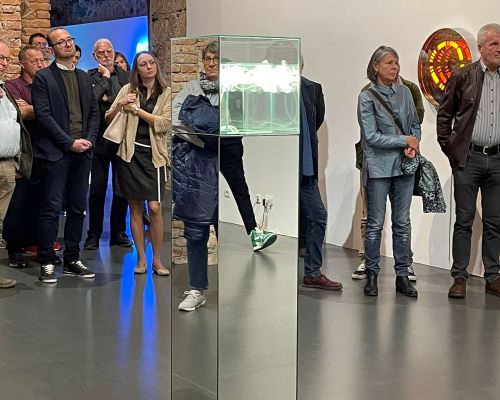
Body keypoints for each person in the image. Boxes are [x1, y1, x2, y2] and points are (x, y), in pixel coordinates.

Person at [31, 28, 99, 283]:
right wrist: (69, 143)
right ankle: (47, 260)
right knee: (51, 208)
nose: (68, 45)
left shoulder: (83, 76)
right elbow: (44, 116)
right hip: (56, 153)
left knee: (78, 208)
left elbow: (94, 112)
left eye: (70, 40)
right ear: (51, 49)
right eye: (61, 42)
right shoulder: (43, 77)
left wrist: (88, 141)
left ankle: (72, 258)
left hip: (83, 152)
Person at [437, 23, 500, 298]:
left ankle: (493, 276)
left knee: (495, 222)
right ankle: (459, 277)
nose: (499, 49)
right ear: (480, 47)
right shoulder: (463, 76)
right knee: (464, 220)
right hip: (468, 159)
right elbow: (444, 116)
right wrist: (453, 151)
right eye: (494, 44)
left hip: (497, 160)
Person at [357, 45, 421, 297]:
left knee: (402, 223)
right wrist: (404, 140)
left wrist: (413, 144)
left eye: (396, 62)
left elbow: (414, 124)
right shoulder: (366, 96)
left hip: (404, 166)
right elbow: (371, 136)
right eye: (389, 63)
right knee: (375, 223)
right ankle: (372, 275)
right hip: (378, 168)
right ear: (376, 67)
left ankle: (402, 276)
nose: (395, 67)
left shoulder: (405, 92)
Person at [105, 51, 171, 276]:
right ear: (137, 69)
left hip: (155, 156)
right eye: (143, 64)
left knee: (154, 208)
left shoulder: (166, 92)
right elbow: (108, 118)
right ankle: (142, 258)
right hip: (130, 155)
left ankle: (158, 260)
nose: (149, 67)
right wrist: (121, 105)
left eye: (152, 62)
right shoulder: (128, 90)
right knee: (135, 208)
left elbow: (163, 124)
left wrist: (137, 110)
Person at [84, 39, 131, 250]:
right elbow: (91, 101)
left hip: (122, 139)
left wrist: (107, 100)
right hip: (100, 140)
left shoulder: (126, 76)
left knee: (122, 188)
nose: (106, 55)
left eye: (109, 51)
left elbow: (131, 101)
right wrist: (105, 85)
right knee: (97, 189)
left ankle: (118, 233)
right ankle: (93, 235)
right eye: (101, 52)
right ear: (94, 56)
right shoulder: (89, 77)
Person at [4, 45, 45, 268]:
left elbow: (55, 111)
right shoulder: (13, 86)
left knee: (39, 201)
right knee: (17, 203)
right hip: (23, 152)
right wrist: (44, 110)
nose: (40, 64)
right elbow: (21, 113)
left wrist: (34, 109)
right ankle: (15, 250)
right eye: (34, 61)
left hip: (44, 152)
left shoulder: (46, 84)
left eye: (42, 60)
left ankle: (36, 244)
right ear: (22, 64)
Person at [0, 38, 33, 288]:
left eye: (6, 59)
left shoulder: (5, 89)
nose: (3, 63)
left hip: (8, 165)